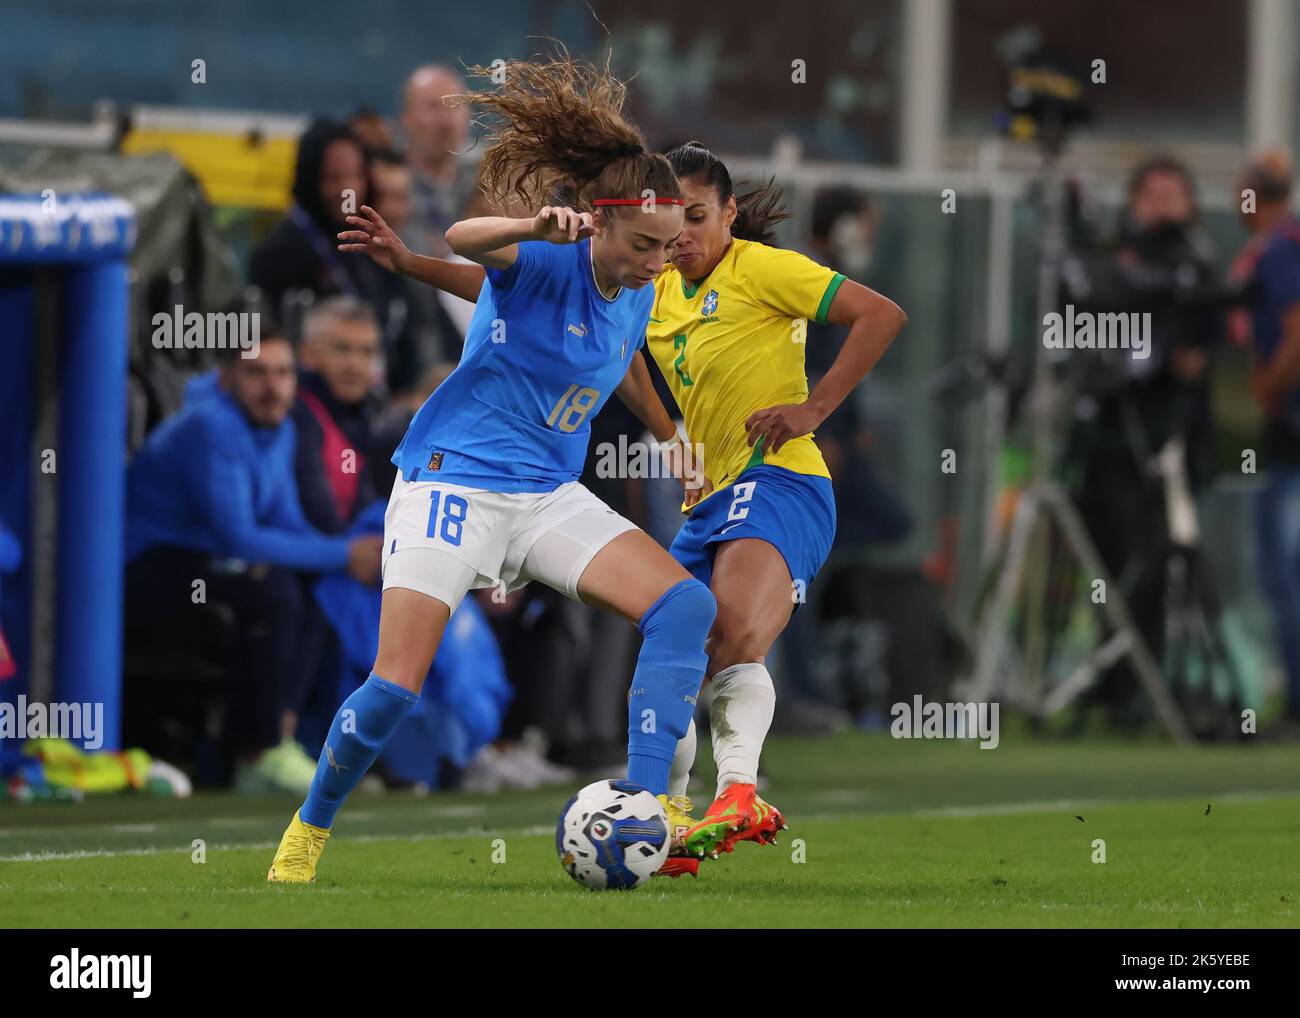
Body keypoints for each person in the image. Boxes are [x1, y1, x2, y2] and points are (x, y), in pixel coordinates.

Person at [335, 139, 908, 862]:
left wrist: (813, 411)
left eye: (696, 220)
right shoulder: (653, 281)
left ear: (729, 214)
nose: (681, 242)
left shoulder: (761, 268)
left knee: (727, 635)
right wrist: (673, 439)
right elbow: (513, 290)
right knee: (679, 643)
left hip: (779, 478)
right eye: (671, 228)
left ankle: (732, 791)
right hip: (705, 494)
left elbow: (881, 313)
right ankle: (667, 819)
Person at [268, 54, 736, 884]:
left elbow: (619, 353)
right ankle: (307, 834)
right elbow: (467, 242)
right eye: (642, 245)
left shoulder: (636, 281)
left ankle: (647, 807)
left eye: (669, 247)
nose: (657, 262)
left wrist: (668, 431)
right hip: (453, 479)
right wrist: (524, 228)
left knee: (683, 604)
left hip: (544, 493)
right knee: (395, 686)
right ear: (596, 222)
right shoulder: (551, 254)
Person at [124, 329, 383, 793]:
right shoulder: (210, 426)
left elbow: (286, 521)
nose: (273, 386)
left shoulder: (279, 429)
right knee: (273, 590)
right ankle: (257, 751)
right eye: (256, 373)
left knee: (311, 584)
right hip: (148, 567)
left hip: (206, 560)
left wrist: (345, 559)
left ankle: (277, 740)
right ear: (227, 380)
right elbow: (239, 537)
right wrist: (345, 554)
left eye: (283, 373)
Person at [1233, 151, 1300, 728]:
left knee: (1284, 572)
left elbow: (1298, 331)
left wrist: (1267, 388)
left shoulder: (1280, 250)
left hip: (1292, 433)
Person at [291, 296, 385, 534]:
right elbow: (319, 517)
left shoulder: (358, 414)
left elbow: (360, 503)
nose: (355, 365)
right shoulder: (298, 413)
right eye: (342, 349)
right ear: (307, 354)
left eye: (367, 352)